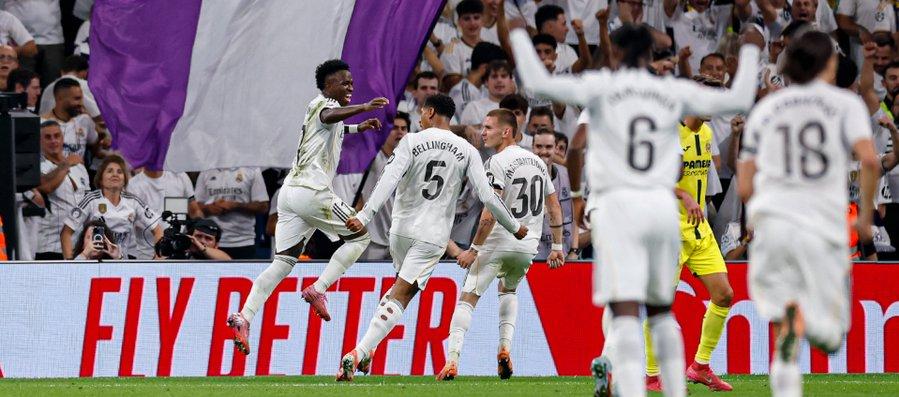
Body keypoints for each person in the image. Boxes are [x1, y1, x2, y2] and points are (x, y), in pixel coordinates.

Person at [511, 23, 759, 397]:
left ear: (615, 52)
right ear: (650, 56)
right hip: (660, 209)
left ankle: (626, 384)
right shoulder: (670, 92)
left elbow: (539, 86)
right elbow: (739, 98)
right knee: (661, 312)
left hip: (616, 208)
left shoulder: (600, 89)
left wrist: (515, 32)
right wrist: (752, 47)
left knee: (625, 312)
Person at [336, 94, 526, 381]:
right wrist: (513, 226)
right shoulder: (466, 150)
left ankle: (369, 350)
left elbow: (386, 180)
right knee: (402, 294)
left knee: (398, 289)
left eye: (422, 113)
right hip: (432, 235)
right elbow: (487, 195)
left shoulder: (411, 141)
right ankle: (359, 351)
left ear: (431, 111)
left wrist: (364, 217)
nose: (419, 119)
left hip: (399, 231)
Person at [737, 30, 878, 397]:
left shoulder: (767, 107)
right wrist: (864, 218)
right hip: (823, 226)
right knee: (832, 338)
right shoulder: (846, 105)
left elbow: (745, 179)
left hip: (775, 222)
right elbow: (869, 159)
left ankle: (791, 343)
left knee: (785, 325)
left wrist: (754, 215)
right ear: (827, 64)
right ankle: (818, 328)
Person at [226, 59, 387, 355]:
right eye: (343, 82)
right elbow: (329, 116)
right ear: (328, 85)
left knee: (283, 263)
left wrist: (358, 128)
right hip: (312, 192)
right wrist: (364, 108)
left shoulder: (329, 115)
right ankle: (319, 288)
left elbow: (334, 127)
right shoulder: (321, 104)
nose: (349, 86)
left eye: (351, 83)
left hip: (291, 195)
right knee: (361, 236)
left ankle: (244, 316)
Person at [437, 109, 564, 381]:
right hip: (527, 246)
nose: (483, 132)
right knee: (509, 291)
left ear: (505, 131)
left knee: (468, 298)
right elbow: (553, 207)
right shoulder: (539, 163)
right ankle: (505, 348)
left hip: (498, 242)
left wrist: (473, 250)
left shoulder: (496, 162)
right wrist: (557, 246)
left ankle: (452, 360)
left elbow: (489, 212)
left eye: (488, 127)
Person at [643, 113, 735, 392]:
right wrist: (683, 196)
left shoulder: (707, 134)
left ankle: (700, 367)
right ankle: (651, 375)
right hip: (669, 231)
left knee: (724, 295)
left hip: (699, 229)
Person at [61, 155, 163, 260]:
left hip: (121, 263)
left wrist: (158, 259)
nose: (115, 174)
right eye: (110, 171)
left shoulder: (133, 202)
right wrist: (71, 264)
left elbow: (158, 228)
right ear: (100, 179)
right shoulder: (91, 200)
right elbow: (66, 233)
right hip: (94, 264)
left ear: (124, 180)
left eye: (119, 172)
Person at [354, 113, 410, 260]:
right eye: (394, 128)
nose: (400, 132)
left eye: (404, 128)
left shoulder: (410, 161)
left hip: (399, 239)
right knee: (367, 280)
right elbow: (355, 189)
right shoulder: (372, 157)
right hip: (372, 238)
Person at [34, 120, 89, 260]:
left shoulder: (79, 167)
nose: (53, 140)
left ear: (62, 138)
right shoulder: (36, 167)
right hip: (49, 245)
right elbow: (46, 187)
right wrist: (65, 164)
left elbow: (89, 202)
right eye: (47, 137)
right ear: (39, 141)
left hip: (79, 246)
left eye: (57, 136)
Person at [127, 169, 202, 259]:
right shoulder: (132, 185)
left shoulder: (181, 176)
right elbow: (128, 222)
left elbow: (195, 211)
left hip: (180, 251)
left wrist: (198, 234)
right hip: (147, 254)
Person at [531, 129, 578, 260]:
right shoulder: (522, 177)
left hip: (564, 254)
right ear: (532, 148)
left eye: (548, 147)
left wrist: (574, 250)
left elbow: (575, 217)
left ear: (555, 149)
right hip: (532, 257)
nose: (544, 151)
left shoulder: (567, 176)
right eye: (539, 146)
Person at [41, 78, 104, 160]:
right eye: (77, 99)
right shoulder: (41, 124)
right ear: (59, 98)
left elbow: (97, 151)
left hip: (80, 172)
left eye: (81, 99)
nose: (81, 103)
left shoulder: (85, 120)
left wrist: (100, 133)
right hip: (53, 171)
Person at [40, 55, 100, 120]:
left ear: (62, 71)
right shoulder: (86, 85)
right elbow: (96, 113)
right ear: (84, 72)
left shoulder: (48, 88)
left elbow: (42, 115)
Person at [154, 218, 231, 260]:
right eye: (198, 236)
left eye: (208, 238)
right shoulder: (183, 253)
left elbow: (227, 259)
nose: (202, 241)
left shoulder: (220, 259)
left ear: (216, 245)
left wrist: (201, 248)